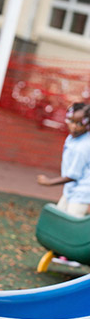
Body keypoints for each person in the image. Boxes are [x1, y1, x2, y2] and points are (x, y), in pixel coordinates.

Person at [37, 102, 90, 266]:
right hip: (71, 190)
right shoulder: (73, 138)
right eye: (71, 121)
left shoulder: (83, 146)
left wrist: (48, 182)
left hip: (82, 192)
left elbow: (73, 175)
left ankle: (76, 258)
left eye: (80, 123)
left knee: (74, 223)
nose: (74, 126)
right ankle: (61, 252)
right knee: (59, 219)